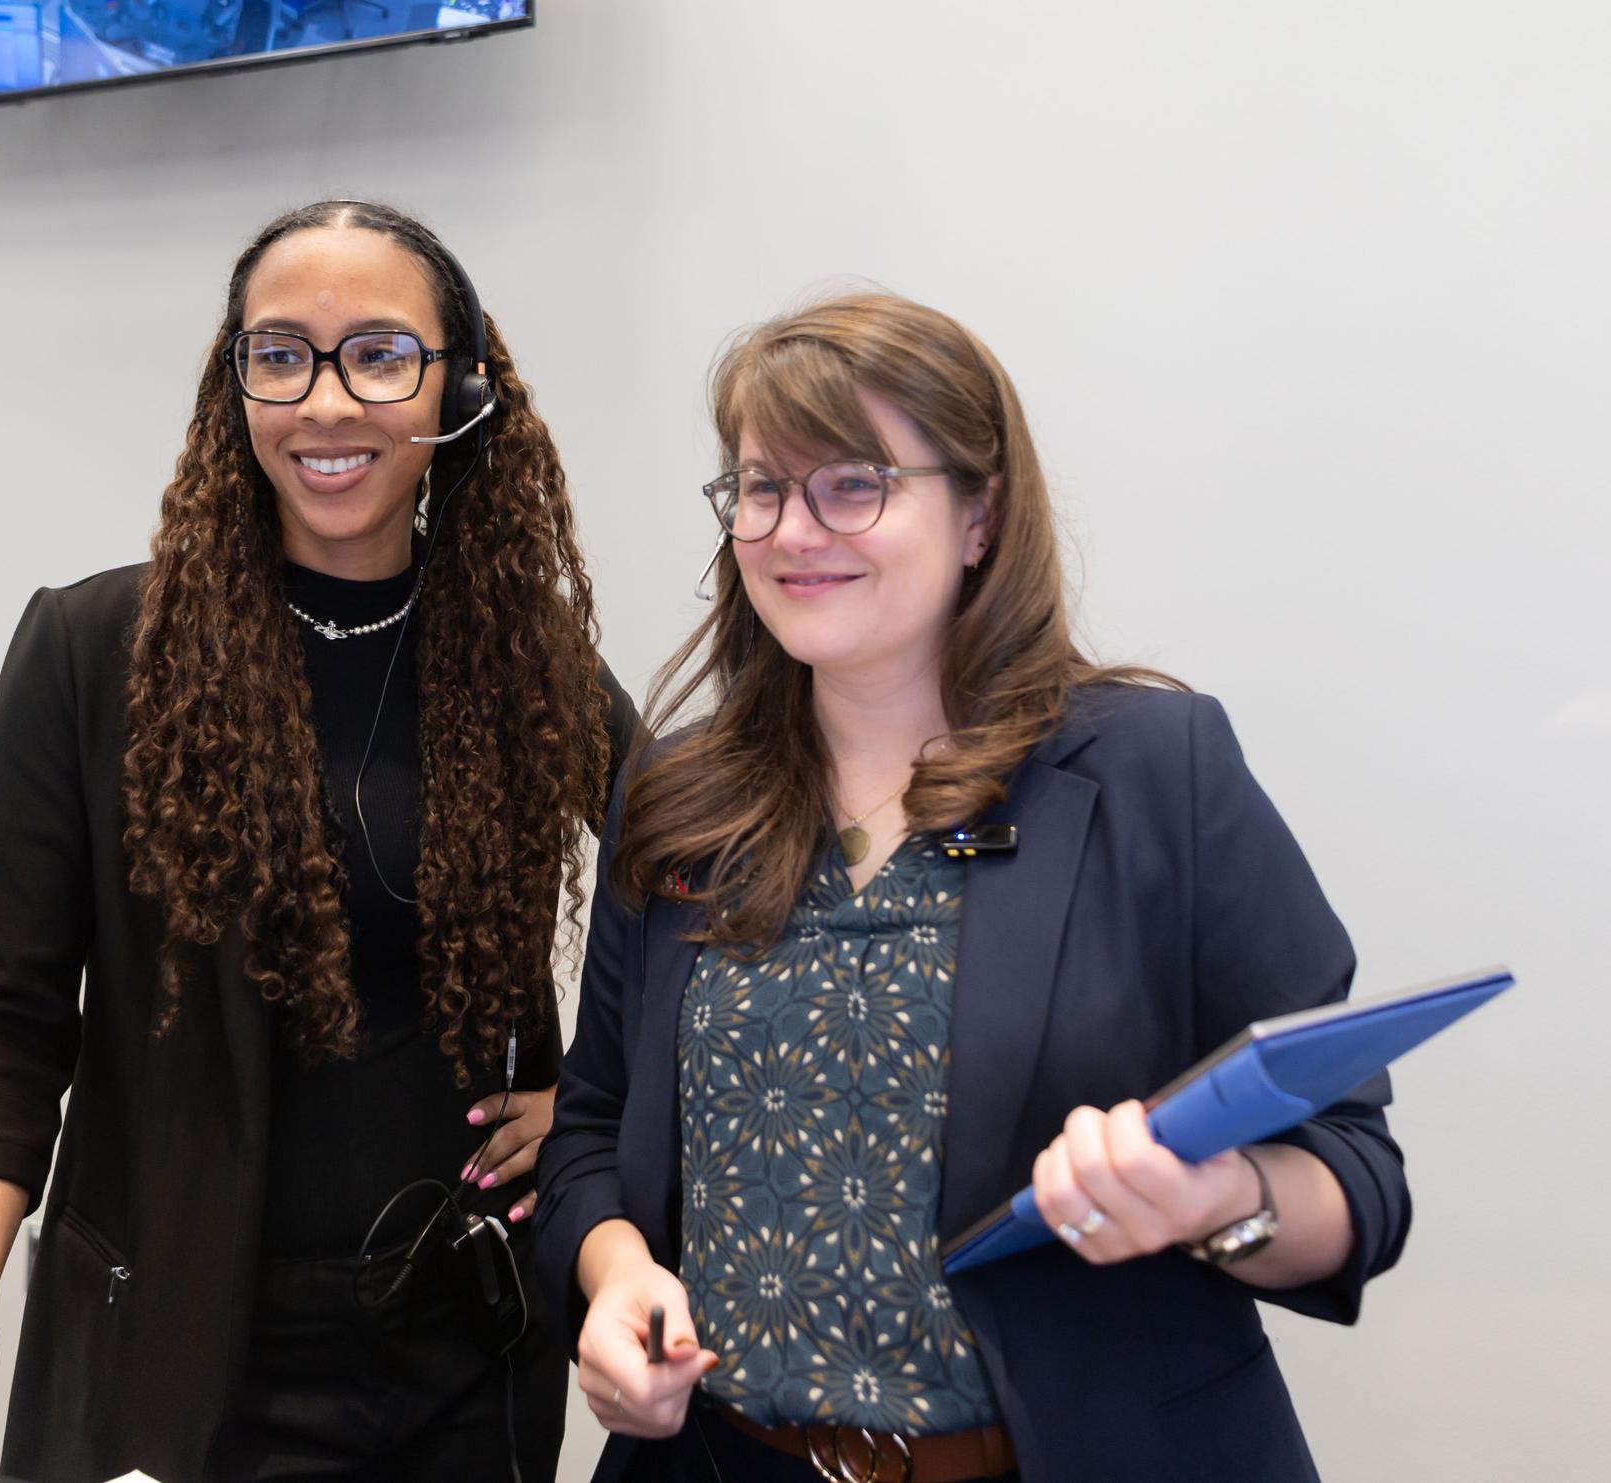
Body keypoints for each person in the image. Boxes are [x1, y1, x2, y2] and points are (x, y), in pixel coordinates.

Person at [0, 200, 634, 1483]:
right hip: (162, 1360)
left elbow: (706, 890)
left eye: (381, 355)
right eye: (280, 354)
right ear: (234, 387)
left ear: (459, 389)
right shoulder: (94, 654)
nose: (326, 401)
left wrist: (598, 1116)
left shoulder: (522, 658)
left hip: (461, 1359)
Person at [533, 293, 1407, 1482]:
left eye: (853, 484)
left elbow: (1353, 1168)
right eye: (760, 488)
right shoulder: (680, 792)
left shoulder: (1156, 770)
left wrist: (1214, 1198)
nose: (793, 530)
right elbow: (592, 1125)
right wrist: (616, 1272)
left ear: (980, 514)